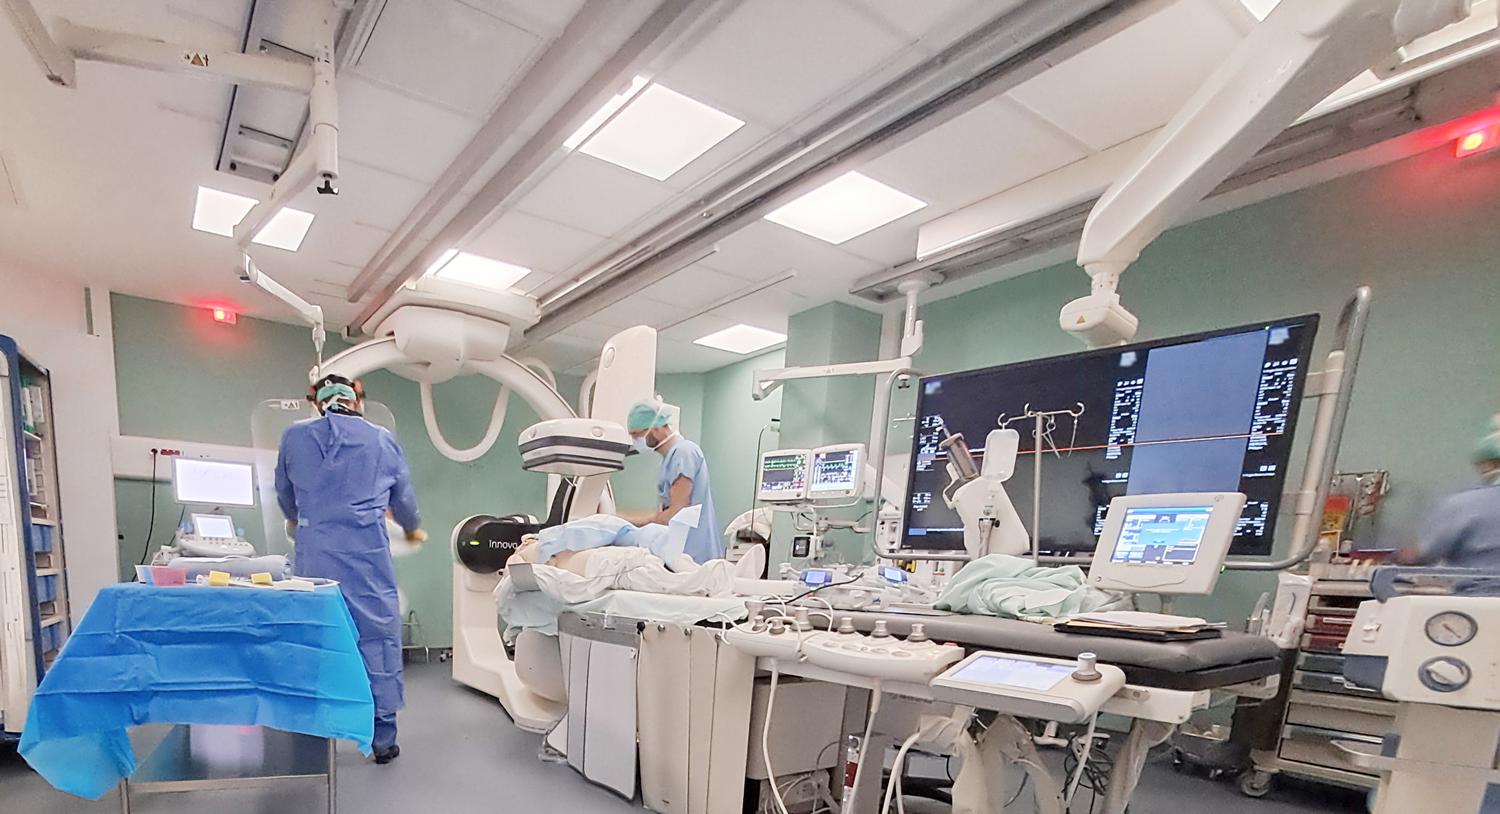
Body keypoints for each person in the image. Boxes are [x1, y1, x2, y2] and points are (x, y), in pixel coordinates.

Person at [275, 374, 424, 764]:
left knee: (316, 639)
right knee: (376, 639)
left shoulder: (294, 436)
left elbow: (285, 495)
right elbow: (403, 498)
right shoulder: (380, 439)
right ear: (357, 399)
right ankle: (382, 740)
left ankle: (312, 736)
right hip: (367, 555)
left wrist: (299, 519)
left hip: (315, 554)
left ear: (316, 402)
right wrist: (412, 528)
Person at [620, 399, 722, 563]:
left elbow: (676, 512)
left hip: (693, 553)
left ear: (657, 427)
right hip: (682, 550)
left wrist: (629, 523)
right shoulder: (668, 459)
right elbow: (665, 511)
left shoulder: (683, 452)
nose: (635, 440)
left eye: (637, 434)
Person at [1410, 417, 1500, 569]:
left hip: (1473, 584)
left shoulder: (1465, 505)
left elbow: (1424, 553)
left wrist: (1396, 557)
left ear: (1490, 463)